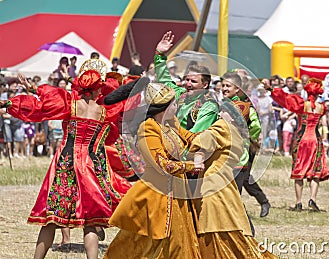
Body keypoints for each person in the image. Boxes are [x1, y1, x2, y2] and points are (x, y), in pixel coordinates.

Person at [0, 59, 130, 259]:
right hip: (92, 166)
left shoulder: (70, 105)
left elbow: (41, 106)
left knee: (51, 218)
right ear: (97, 89)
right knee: (90, 222)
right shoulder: (106, 111)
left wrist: (11, 102)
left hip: (66, 164)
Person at [103, 82, 203, 259]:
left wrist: (214, 137)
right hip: (156, 193)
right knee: (141, 243)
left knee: (177, 242)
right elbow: (162, 165)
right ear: (163, 108)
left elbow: (190, 137)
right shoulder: (148, 128)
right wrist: (190, 165)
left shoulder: (171, 123)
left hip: (177, 191)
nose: (176, 106)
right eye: (174, 103)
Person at [187, 100, 276, 259]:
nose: (219, 114)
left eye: (223, 112)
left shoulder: (222, 128)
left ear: (234, 117)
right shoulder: (239, 134)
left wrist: (198, 157)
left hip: (212, 182)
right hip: (227, 184)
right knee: (231, 222)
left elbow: (201, 142)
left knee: (211, 223)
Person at [264, 78, 329, 211]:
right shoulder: (322, 108)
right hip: (315, 140)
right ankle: (312, 199)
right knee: (315, 170)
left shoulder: (302, 105)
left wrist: (272, 89)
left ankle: (298, 202)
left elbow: (286, 99)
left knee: (299, 169)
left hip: (301, 140)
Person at [222, 71, 271, 218]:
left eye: (228, 85)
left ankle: (261, 204)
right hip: (231, 150)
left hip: (244, 148)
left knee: (244, 178)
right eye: (223, 85)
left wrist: (249, 139)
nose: (224, 88)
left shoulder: (246, 102)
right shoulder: (226, 102)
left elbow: (255, 125)